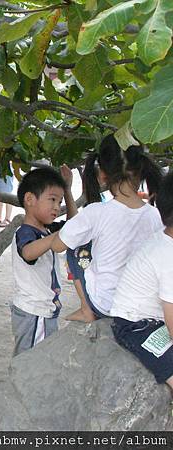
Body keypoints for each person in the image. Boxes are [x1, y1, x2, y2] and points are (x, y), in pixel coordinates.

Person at [50, 134, 164, 321]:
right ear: (142, 170)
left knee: (75, 246)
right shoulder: (156, 216)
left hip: (105, 304)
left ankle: (86, 310)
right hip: (143, 305)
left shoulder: (96, 212)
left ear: (102, 175)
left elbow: (58, 246)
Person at [110, 171, 173, 390]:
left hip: (157, 320)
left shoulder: (166, 239)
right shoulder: (168, 255)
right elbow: (171, 318)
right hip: (137, 326)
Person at [10, 166, 76, 356]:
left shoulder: (47, 230)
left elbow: (74, 226)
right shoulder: (25, 232)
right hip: (34, 312)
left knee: (40, 361)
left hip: (44, 311)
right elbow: (29, 252)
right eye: (52, 199)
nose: (57, 207)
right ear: (30, 199)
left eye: (60, 201)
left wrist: (69, 190)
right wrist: (56, 237)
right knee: (31, 363)